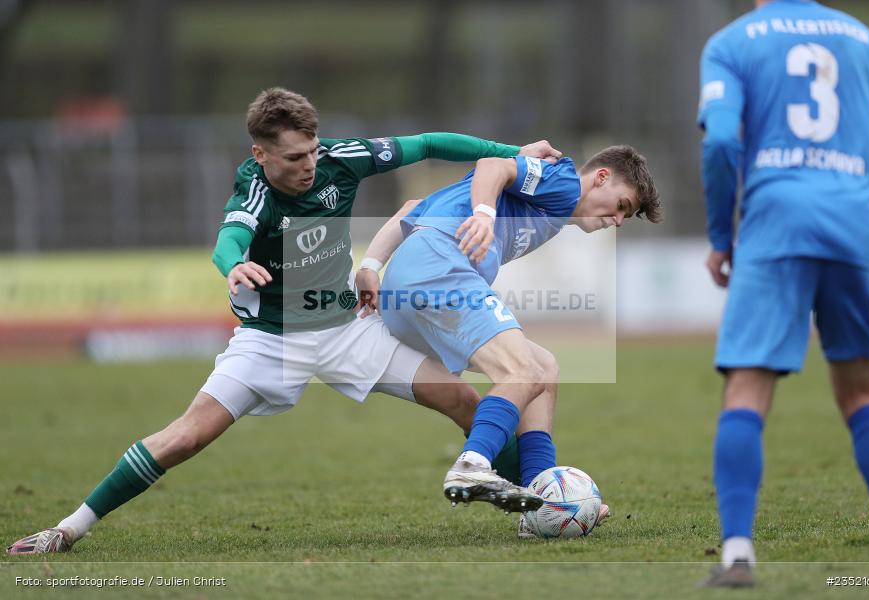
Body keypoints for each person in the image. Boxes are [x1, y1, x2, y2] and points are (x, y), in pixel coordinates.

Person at [6, 87, 563, 555]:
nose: (308, 166)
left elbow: (427, 145)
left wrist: (511, 151)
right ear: (261, 153)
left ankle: (542, 505)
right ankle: (67, 530)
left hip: (348, 330)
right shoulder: (253, 188)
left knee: (462, 400)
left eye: (313, 152)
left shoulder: (341, 158)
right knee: (185, 437)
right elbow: (229, 240)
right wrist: (235, 265)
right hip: (269, 342)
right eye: (294, 158)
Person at [697, 0, 869, 587]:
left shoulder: (733, 43)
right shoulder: (864, 40)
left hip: (776, 223)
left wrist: (720, 235)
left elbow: (720, 146)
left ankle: (737, 555)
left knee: (747, 389)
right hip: (855, 224)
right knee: (863, 395)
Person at [355, 145, 661, 532]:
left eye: (626, 217)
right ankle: (473, 465)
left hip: (404, 294)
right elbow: (492, 165)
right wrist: (484, 215)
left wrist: (369, 265)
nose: (617, 220)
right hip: (440, 268)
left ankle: (546, 502)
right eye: (621, 205)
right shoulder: (566, 183)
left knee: (544, 369)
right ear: (601, 177)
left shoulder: (542, 199)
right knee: (526, 370)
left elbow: (414, 205)